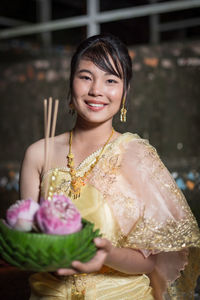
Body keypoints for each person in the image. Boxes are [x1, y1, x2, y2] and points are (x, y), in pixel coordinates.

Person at [20, 34, 200, 300]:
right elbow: (26, 242)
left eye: (111, 80)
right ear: (71, 82)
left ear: (125, 91)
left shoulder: (137, 156)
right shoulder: (38, 154)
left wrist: (107, 254)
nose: (97, 90)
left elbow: (148, 261)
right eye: (85, 76)